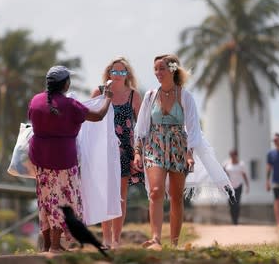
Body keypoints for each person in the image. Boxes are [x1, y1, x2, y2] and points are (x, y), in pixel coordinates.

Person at [133, 54, 232, 250]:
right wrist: (137, 152)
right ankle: (155, 238)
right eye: (155, 69)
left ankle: (175, 242)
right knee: (155, 191)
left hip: (179, 147)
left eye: (161, 68)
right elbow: (141, 128)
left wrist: (189, 153)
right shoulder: (150, 96)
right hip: (154, 146)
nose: (157, 73)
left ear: (172, 69)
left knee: (176, 196)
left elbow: (193, 128)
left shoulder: (185, 96)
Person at [28, 65, 112, 253]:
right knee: (62, 201)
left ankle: (48, 244)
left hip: (41, 159)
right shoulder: (70, 105)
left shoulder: (35, 101)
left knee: (46, 200)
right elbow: (98, 116)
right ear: (66, 84)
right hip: (63, 160)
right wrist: (107, 98)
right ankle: (56, 246)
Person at [90, 56, 143, 249]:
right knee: (105, 194)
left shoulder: (134, 95)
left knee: (120, 194)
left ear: (127, 74)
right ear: (109, 73)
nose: (118, 75)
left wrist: (139, 152)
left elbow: (142, 126)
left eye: (122, 71)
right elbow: (91, 122)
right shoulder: (99, 91)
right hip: (103, 150)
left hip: (125, 150)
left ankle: (116, 240)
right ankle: (105, 239)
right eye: (115, 71)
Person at [223, 149, 249, 225]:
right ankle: (233, 219)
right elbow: (223, 174)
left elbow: (244, 175)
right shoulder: (226, 164)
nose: (232, 156)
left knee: (236, 203)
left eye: (234, 155)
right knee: (231, 203)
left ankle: (236, 221)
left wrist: (247, 186)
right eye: (231, 155)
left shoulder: (241, 164)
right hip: (229, 186)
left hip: (238, 186)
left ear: (236, 155)